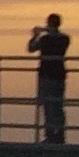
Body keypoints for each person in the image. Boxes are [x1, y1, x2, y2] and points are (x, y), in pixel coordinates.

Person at [26, 12, 71, 143]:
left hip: (46, 74)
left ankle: (50, 134)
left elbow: (31, 48)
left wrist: (35, 35)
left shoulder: (45, 39)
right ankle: (60, 133)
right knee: (58, 104)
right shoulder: (65, 38)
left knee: (47, 105)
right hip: (59, 75)